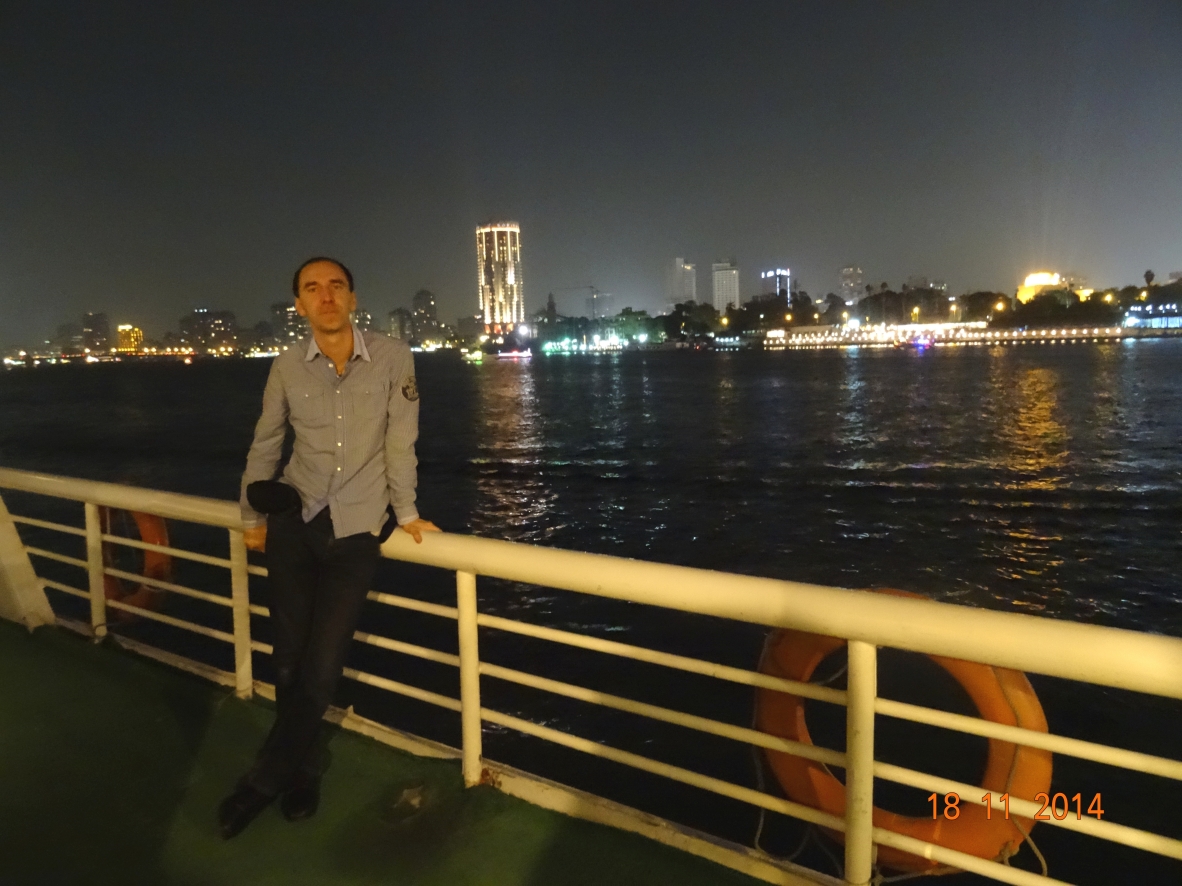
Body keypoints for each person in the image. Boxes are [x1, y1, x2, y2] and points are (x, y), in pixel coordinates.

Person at [218, 257, 439, 838]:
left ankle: (261, 782)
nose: (326, 296)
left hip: (358, 529)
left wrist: (407, 511)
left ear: (353, 298)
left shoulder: (393, 357)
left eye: (336, 286)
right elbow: (266, 443)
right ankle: (303, 772)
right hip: (294, 523)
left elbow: (402, 440)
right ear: (299, 305)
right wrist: (251, 518)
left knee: (322, 663)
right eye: (312, 289)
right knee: (289, 659)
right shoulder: (287, 365)